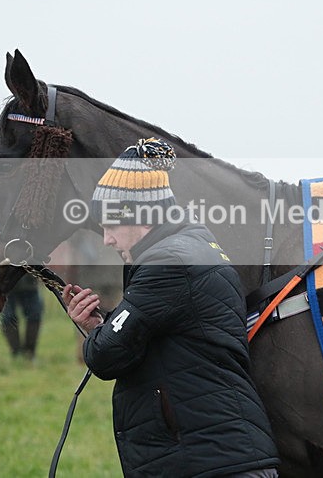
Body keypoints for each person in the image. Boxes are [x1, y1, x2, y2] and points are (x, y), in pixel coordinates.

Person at [64, 138, 279, 477]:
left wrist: (96, 334)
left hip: (212, 464)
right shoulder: (190, 249)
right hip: (218, 458)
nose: (106, 239)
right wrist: (98, 326)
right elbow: (147, 345)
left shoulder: (168, 264)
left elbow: (106, 356)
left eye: (109, 223)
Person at [1, 274, 44, 362]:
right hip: (6, 283)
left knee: (35, 315)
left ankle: (29, 353)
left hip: (29, 282)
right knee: (8, 317)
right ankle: (16, 353)